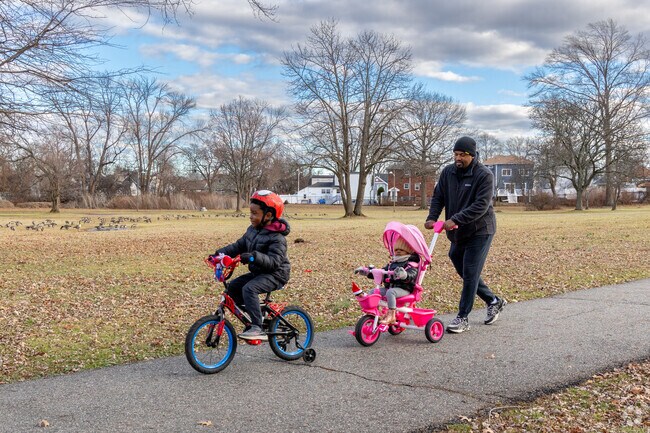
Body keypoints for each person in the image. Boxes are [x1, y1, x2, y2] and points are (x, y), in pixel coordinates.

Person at [424, 136, 506, 333]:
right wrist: (432, 217)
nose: (458, 158)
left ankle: (463, 317)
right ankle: (493, 300)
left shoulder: (484, 175)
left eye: (462, 155)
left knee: (470, 271)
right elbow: (439, 197)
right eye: (455, 154)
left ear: (472, 155)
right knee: (458, 261)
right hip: (457, 231)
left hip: (480, 230)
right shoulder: (448, 172)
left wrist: (455, 219)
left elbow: (481, 205)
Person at [212, 190, 290, 341]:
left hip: (276, 274)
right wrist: (219, 254)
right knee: (233, 288)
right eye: (250, 212)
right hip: (259, 272)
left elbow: (274, 262)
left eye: (255, 213)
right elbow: (238, 246)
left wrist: (254, 257)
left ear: (268, 215)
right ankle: (257, 312)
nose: (251, 216)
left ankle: (257, 327)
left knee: (249, 289)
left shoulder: (277, 238)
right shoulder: (252, 230)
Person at [355, 237, 419, 325]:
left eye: (402, 249)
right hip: (390, 287)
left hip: (404, 289)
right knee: (373, 292)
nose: (398, 251)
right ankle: (375, 313)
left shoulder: (411, 264)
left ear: (408, 251)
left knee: (390, 293)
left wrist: (404, 275)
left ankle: (391, 315)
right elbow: (381, 273)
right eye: (396, 249)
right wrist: (367, 272)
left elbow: (411, 275)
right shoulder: (392, 263)